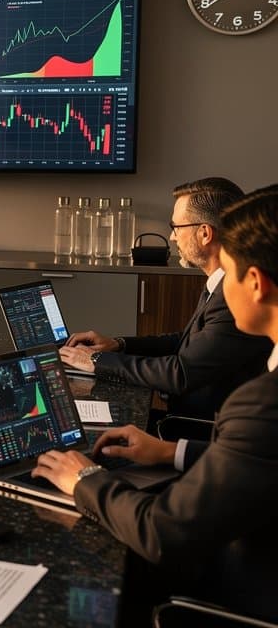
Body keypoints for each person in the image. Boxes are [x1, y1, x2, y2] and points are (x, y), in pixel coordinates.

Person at [32, 185, 278, 622]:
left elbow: (163, 531)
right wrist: (173, 451)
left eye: (232, 268)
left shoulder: (261, 404)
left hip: (241, 584)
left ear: (255, 283)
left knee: (85, 568)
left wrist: (84, 479)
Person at [61, 177, 271, 420]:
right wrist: (117, 344)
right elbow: (185, 342)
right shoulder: (219, 283)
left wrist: (96, 360)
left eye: (176, 227)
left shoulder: (234, 295)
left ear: (204, 233)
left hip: (196, 430)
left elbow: (181, 372)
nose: (172, 237)